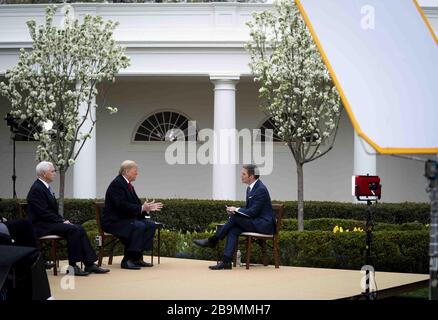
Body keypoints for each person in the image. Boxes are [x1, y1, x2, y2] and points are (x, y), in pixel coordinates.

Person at [26, 161, 109, 276]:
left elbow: (52, 211)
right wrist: (61, 221)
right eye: (52, 171)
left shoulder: (43, 187)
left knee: (78, 228)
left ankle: (89, 264)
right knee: (73, 229)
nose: (55, 173)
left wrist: (63, 220)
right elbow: (43, 213)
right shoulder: (37, 189)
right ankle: (73, 267)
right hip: (41, 226)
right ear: (44, 174)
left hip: (48, 223)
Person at [193, 164, 275, 270]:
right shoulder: (250, 188)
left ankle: (213, 240)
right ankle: (226, 261)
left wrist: (236, 210)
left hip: (264, 225)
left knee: (235, 217)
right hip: (256, 221)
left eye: (243, 174)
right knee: (233, 230)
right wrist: (235, 211)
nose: (241, 176)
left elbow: (253, 212)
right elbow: (249, 209)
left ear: (251, 176)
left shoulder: (260, 189)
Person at [102, 160, 163, 270]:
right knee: (138, 226)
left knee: (150, 225)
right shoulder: (117, 184)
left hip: (125, 219)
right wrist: (141, 208)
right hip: (113, 221)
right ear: (126, 171)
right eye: (135, 171)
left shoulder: (128, 184)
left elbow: (136, 205)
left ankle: (137, 257)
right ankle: (127, 260)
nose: (137, 174)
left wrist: (146, 209)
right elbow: (120, 205)